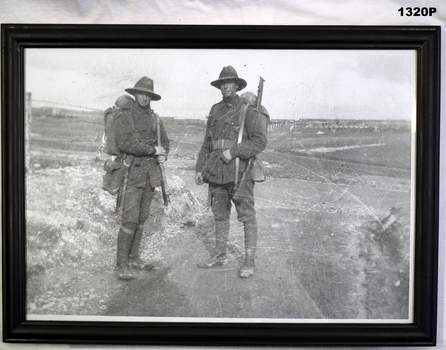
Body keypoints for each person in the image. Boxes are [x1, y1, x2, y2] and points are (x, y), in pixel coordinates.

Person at [195, 66, 268, 278]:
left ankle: (248, 262)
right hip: (216, 172)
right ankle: (219, 255)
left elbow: (260, 142)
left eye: (229, 82)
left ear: (236, 85)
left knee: (247, 217)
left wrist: (234, 151)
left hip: (239, 173)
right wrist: (199, 168)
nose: (225, 86)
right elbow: (207, 143)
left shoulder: (247, 110)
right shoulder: (215, 110)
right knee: (219, 216)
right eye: (222, 83)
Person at [113, 76, 170, 280]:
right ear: (135, 94)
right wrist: (152, 150)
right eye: (140, 93)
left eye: (147, 94)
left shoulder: (155, 119)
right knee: (129, 219)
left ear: (151, 97)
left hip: (150, 175)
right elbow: (124, 143)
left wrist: (164, 152)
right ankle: (121, 264)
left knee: (142, 218)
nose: (144, 98)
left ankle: (134, 258)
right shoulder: (125, 115)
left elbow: (164, 142)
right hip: (132, 174)